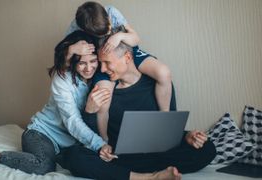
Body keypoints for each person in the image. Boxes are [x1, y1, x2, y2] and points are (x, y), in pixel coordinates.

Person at [57, 38, 217, 180]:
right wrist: (89, 111)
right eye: (101, 63)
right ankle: (147, 177)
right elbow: (94, 136)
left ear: (127, 57)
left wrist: (186, 136)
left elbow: (166, 128)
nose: (102, 69)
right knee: (73, 156)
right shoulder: (103, 90)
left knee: (207, 148)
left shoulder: (158, 85)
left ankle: (127, 174)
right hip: (119, 156)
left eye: (107, 62)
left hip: (157, 154)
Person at [0, 31, 111, 175]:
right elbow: (72, 121)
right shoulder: (62, 79)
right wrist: (98, 144)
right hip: (41, 134)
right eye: (82, 63)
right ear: (72, 62)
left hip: (68, 143)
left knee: (87, 163)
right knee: (44, 165)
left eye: (92, 61)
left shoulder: (99, 78)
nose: (89, 68)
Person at [66, 1, 173, 142]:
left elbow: (135, 38)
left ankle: (165, 117)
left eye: (109, 29)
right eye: (102, 34)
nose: (108, 33)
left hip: (126, 50)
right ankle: (104, 140)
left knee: (163, 72)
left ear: (107, 18)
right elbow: (66, 59)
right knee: (103, 99)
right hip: (103, 58)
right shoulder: (75, 27)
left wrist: (119, 36)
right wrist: (72, 50)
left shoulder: (112, 11)